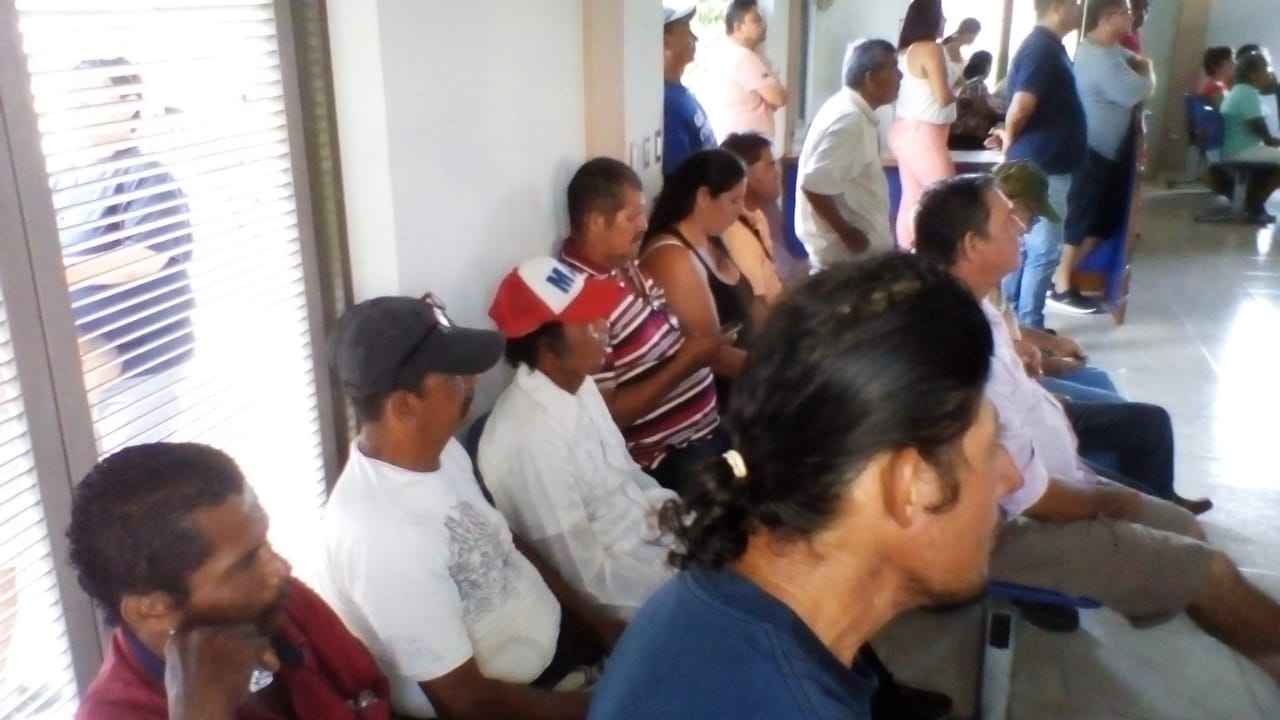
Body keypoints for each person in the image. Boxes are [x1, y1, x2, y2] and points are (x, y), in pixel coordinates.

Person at [588, 252, 1017, 719]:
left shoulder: (710, 604)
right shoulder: (782, 701)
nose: (1009, 478)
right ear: (910, 486)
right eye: (992, 448)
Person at [913, 176, 1280, 684]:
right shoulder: (950, 336)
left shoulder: (974, 306)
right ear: (972, 244)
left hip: (1052, 485)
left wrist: (1042, 390)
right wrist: (1109, 501)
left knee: (1186, 529)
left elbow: (1011, 412)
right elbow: (1023, 492)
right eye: (1007, 219)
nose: (1021, 226)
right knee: (1209, 570)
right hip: (1007, 527)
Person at [315, 295, 622, 719]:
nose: (473, 380)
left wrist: (596, 621)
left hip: (561, 645)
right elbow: (468, 702)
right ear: (404, 405)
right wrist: (608, 706)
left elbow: (504, 542)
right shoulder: (379, 537)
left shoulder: (441, 451)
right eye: (455, 375)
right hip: (523, 697)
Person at [67, 442, 392, 720]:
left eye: (265, 542)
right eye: (246, 563)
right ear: (153, 609)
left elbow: (371, 692)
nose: (281, 567)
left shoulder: (274, 604)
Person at [480, 257, 679, 621]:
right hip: (635, 593)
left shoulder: (579, 384)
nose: (605, 325)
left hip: (656, 543)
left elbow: (630, 479)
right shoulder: (529, 442)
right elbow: (589, 583)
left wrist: (687, 523)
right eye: (587, 322)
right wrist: (682, 581)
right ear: (547, 350)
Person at [558, 158, 730, 492]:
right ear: (596, 222)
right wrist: (687, 361)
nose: (644, 224)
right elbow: (610, 414)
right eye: (633, 216)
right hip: (669, 458)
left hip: (706, 429)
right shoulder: (581, 303)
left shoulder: (624, 264)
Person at [53, 58, 196, 449]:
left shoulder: (145, 175)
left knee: (138, 469)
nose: (80, 103)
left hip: (142, 359)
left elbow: (146, 258)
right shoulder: (67, 179)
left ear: (129, 102)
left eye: (93, 93)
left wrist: (57, 273)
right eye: (75, 95)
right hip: (88, 358)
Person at [987, 0, 1086, 328]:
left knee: (1029, 246)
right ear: (1057, 5)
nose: (1078, 9)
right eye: (1074, 3)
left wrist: (1010, 137)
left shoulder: (1049, 47)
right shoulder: (1041, 49)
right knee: (1042, 250)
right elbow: (1020, 107)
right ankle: (1028, 325)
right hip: (1043, 166)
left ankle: (1017, 323)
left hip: (1047, 162)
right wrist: (1010, 142)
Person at [992, 161, 1125, 404]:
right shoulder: (976, 276)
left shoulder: (993, 272)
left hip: (1014, 371)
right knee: (1115, 406)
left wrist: (1053, 343)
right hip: (1006, 389)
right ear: (1013, 207)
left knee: (1101, 380)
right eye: (1032, 216)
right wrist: (1050, 366)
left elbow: (1003, 326)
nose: (1029, 229)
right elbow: (993, 362)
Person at [1054, 0, 1155, 314]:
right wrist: (1149, 72)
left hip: (1107, 151)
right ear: (1107, 17)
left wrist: (1141, 67)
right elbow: (1138, 89)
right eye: (1125, 12)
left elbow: (1133, 62)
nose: (1132, 17)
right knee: (1080, 220)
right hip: (1091, 148)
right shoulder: (1097, 56)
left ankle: (1060, 277)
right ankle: (1061, 286)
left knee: (1103, 223)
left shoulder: (1110, 50)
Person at [641, 149, 756, 410]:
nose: (741, 210)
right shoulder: (671, 257)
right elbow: (712, 354)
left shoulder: (712, 239)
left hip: (748, 381)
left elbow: (750, 306)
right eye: (734, 200)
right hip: (721, 400)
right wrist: (777, 375)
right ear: (703, 196)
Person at [795, 38, 902, 268]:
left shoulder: (852, 111)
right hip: (847, 261)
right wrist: (847, 233)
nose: (900, 76)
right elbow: (814, 184)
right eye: (894, 68)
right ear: (871, 78)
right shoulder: (850, 120)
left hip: (855, 259)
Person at [888, 0, 957, 249]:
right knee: (949, 199)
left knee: (912, 198)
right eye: (942, 16)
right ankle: (936, 258)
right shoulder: (931, 48)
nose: (945, 21)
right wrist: (960, 94)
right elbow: (942, 97)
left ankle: (910, 256)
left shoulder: (904, 52)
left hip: (906, 130)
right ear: (931, 18)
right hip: (924, 136)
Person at [701, 0, 788, 142]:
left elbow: (774, 102)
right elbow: (779, 97)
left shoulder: (727, 52)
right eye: (755, 20)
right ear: (738, 27)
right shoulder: (742, 56)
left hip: (740, 141)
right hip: (746, 144)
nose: (762, 25)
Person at [719, 132, 787, 305]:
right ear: (744, 174)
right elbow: (757, 309)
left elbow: (775, 279)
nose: (777, 174)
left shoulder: (756, 215)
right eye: (770, 166)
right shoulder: (736, 235)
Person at [1219, 50, 1280, 219]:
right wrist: (1270, 140)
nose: (1268, 74)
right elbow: (1256, 124)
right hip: (1241, 150)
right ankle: (1255, 204)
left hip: (1235, 147)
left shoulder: (1238, 90)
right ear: (1253, 73)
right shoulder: (1247, 93)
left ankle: (1252, 201)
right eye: (1265, 70)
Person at [662, 2, 716, 176]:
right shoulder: (667, 100)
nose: (695, 38)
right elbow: (679, 172)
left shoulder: (681, 93)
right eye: (686, 31)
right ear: (664, 41)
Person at [949, 51, 1005, 150]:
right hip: (971, 134)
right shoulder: (977, 84)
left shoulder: (962, 82)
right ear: (987, 68)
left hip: (956, 130)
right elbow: (983, 108)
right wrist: (1002, 116)